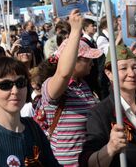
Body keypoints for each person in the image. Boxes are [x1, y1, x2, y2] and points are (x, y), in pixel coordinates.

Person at [34, 9, 102, 166]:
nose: (92, 63)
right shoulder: (51, 85)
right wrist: (76, 30)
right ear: (73, 60)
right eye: (87, 58)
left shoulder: (84, 85)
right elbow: (64, 74)